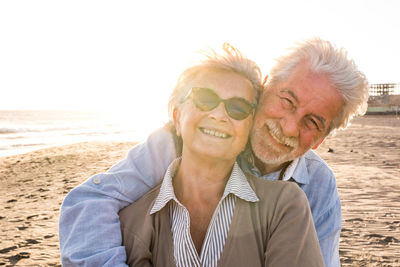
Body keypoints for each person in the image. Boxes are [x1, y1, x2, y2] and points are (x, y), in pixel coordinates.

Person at [59, 38, 369, 267]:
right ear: (265, 89)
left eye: (311, 122)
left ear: (320, 140)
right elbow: (91, 201)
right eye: (286, 100)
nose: (288, 127)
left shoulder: (316, 186)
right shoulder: (182, 142)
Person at [118, 44, 323, 266]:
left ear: (248, 127)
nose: (218, 115)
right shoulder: (131, 221)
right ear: (177, 118)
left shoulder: (285, 206)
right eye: (205, 99)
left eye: (238, 107)